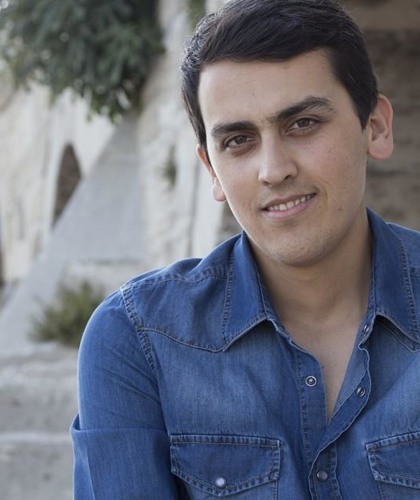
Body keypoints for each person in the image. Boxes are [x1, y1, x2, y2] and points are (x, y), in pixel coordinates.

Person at [71, 0, 420, 497]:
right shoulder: (137, 340)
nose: (273, 170)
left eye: (303, 123)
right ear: (211, 170)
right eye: (238, 140)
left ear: (376, 127)